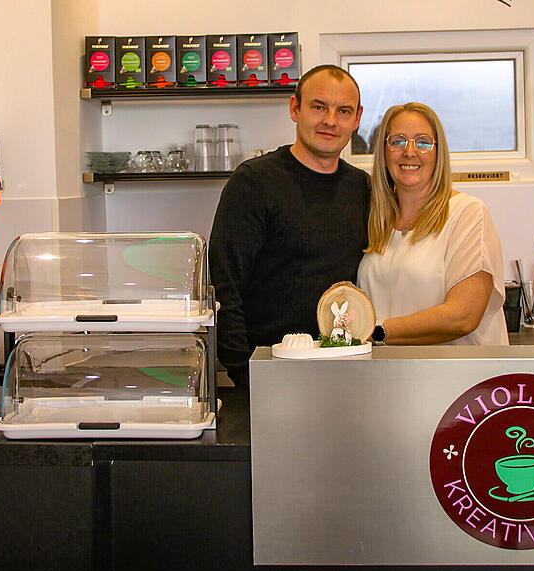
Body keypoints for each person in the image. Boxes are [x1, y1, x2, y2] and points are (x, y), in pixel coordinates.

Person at [209, 65, 370, 386]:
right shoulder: (254, 183)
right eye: (319, 107)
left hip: (348, 370)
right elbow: (225, 287)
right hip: (271, 372)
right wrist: (246, 372)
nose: (330, 121)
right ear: (295, 108)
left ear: (357, 118)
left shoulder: (362, 187)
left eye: (343, 111)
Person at [357, 102, 509, 346]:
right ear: (384, 153)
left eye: (423, 142)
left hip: (452, 369)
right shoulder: (377, 221)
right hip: (389, 368)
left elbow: (463, 316)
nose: (409, 151)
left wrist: (377, 332)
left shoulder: (467, 213)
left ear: (438, 153)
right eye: (398, 141)